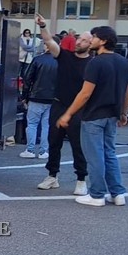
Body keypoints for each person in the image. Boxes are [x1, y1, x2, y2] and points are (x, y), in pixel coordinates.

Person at [57, 26, 128, 206]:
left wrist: (67, 114)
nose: (91, 40)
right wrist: (124, 112)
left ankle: (97, 194)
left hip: (94, 115)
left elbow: (85, 94)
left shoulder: (95, 63)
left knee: (95, 156)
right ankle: (117, 193)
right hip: (113, 115)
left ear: (104, 41)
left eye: (95, 37)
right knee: (110, 153)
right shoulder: (124, 62)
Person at [34, 14, 93, 195]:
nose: (79, 42)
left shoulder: (93, 63)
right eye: (78, 38)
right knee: (54, 142)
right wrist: (43, 26)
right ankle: (52, 176)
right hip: (59, 104)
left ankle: (81, 179)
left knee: (78, 145)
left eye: (83, 40)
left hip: (79, 108)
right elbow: (50, 41)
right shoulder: (64, 56)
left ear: (91, 44)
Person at [20, 42, 57, 159]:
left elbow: (27, 79)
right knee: (46, 125)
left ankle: (30, 149)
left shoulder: (37, 60)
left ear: (46, 46)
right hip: (52, 98)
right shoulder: (59, 62)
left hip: (36, 96)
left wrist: (24, 97)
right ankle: (43, 151)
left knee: (32, 124)